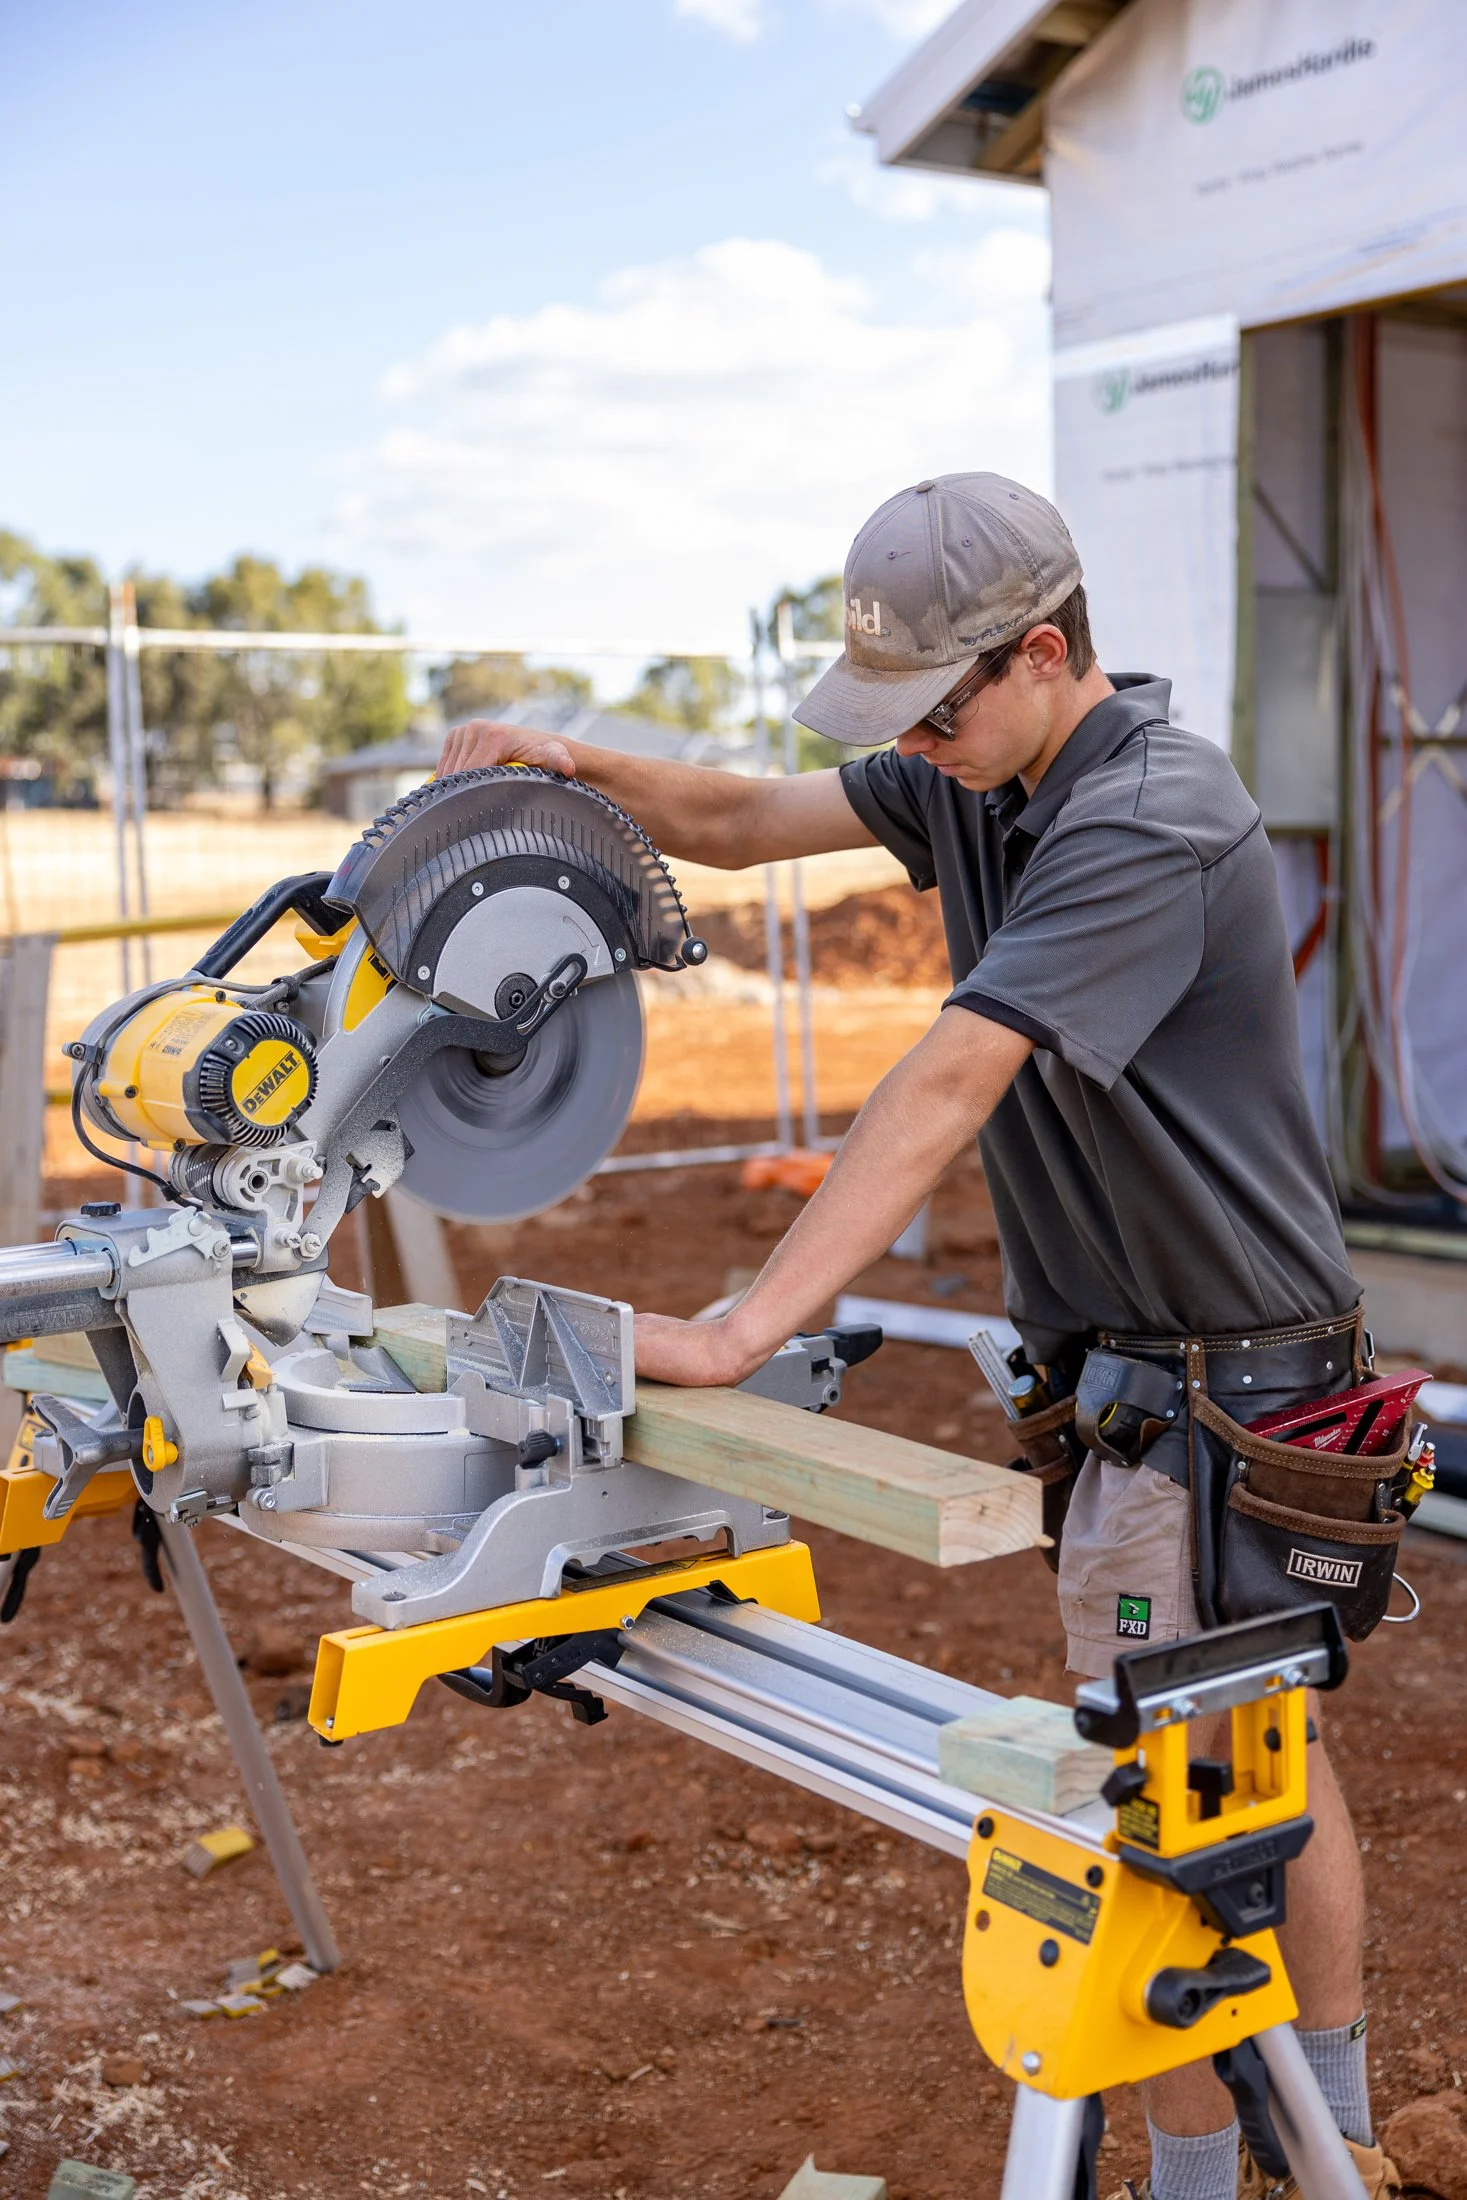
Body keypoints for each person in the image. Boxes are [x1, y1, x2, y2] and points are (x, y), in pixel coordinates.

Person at [438, 473, 1397, 2200]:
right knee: (1253, 1747)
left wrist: (738, 1329)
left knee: (1175, 1810)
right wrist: (574, 772)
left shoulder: (1145, 813)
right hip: (1162, 1373)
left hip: (1210, 1390)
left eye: (932, 708)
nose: (913, 743)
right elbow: (734, 817)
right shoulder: (988, 768)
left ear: (1044, 653)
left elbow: (952, 1072)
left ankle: (1259, 2162)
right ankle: (1333, 2130)